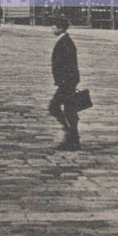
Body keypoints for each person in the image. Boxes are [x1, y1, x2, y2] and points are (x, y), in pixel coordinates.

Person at [48, 16, 82, 151]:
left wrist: (65, 81)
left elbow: (68, 64)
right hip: (67, 81)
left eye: (53, 27)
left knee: (54, 107)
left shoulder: (65, 42)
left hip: (67, 82)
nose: (51, 29)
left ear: (60, 28)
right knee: (70, 111)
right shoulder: (64, 41)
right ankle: (73, 140)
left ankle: (70, 136)